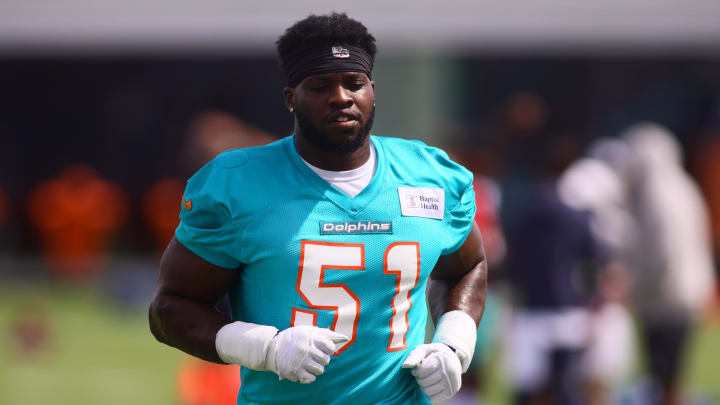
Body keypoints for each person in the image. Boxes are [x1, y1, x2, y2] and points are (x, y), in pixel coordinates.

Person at [149, 12, 487, 405]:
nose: (341, 96)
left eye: (354, 83)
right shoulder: (239, 186)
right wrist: (264, 347)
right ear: (291, 99)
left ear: (372, 90)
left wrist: (453, 341)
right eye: (320, 85)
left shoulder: (430, 176)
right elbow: (169, 310)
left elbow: (468, 265)